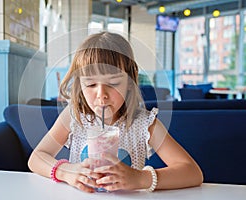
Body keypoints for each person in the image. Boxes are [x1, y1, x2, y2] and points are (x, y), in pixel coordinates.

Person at [28, 31, 203, 193]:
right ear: (79, 84)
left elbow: (193, 172)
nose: (101, 95)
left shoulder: (144, 124)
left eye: (113, 83)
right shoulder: (74, 117)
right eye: (90, 84)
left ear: (130, 82)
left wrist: (141, 178)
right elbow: (36, 158)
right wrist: (66, 172)